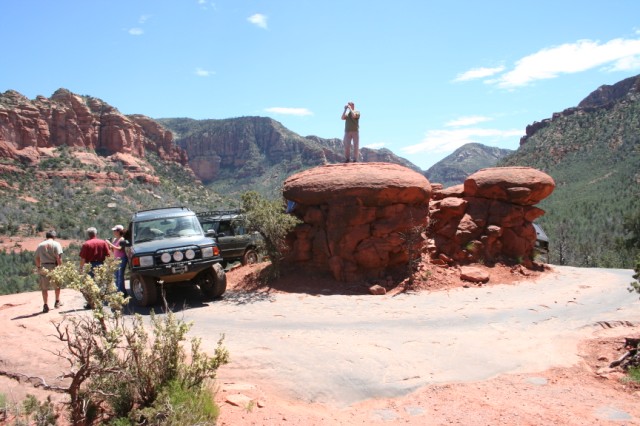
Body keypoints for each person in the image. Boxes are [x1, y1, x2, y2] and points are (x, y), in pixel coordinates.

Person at [34, 230, 63, 313]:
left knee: (44, 287)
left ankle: (45, 305)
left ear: (46, 236)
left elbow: (36, 257)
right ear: (54, 236)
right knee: (57, 285)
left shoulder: (40, 245)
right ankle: (57, 301)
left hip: (44, 266)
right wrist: (60, 267)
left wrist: (39, 267)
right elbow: (59, 258)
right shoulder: (56, 244)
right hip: (54, 266)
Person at [107, 224, 128, 297]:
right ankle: (120, 291)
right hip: (116, 259)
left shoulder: (122, 239)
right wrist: (110, 246)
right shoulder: (115, 239)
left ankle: (120, 292)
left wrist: (110, 243)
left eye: (115, 230)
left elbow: (119, 248)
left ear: (119, 231)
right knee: (116, 276)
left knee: (120, 276)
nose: (114, 232)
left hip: (122, 258)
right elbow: (113, 249)